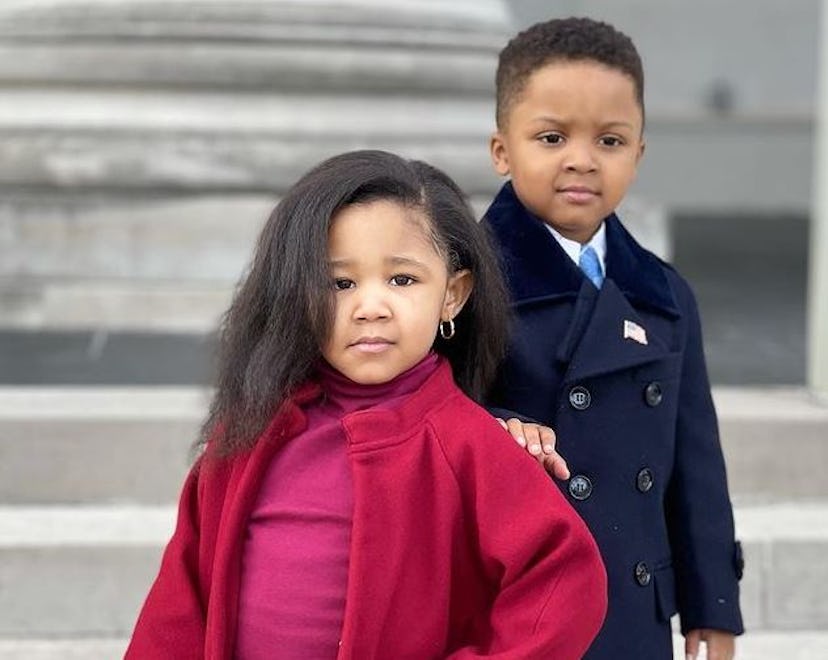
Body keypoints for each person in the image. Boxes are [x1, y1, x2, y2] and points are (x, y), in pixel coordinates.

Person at [125, 149, 607, 659]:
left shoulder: (473, 446)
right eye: (340, 283)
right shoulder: (249, 435)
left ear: (453, 294)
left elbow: (564, 582)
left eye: (402, 279)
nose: (370, 307)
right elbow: (179, 604)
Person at [482, 17, 744, 660]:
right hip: (518, 601)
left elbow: (695, 467)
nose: (581, 158)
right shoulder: (465, 281)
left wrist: (713, 607)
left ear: (639, 153)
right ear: (502, 150)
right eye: (551, 136)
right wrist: (500, 426)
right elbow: (428, 416)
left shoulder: (665, 295)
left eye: (609, 139)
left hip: (632, 608)